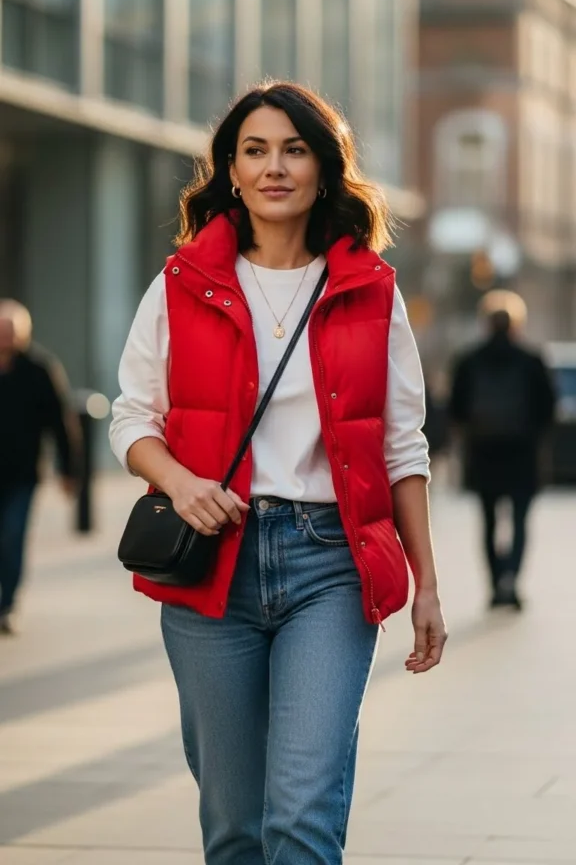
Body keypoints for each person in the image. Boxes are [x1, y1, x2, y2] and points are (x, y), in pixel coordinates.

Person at [110, 81, 447, 865]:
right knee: (233, 827)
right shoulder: (181, 285)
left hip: (330, 563)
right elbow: (132, 419)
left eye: (294, 149)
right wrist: (182, 483)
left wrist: (426, 582)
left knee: (299, 816)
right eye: (255, 150)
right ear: (230, 170)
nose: (274, 167)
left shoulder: (371, 292)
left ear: (324, 169)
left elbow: (404, 445)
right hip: (210, 569)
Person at [449, 290, 556, 610]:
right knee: (521, 520)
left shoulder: (468, 361)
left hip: (484, 453)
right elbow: (548, 408)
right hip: (522, 453)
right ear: (515, 324)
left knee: (489, 521)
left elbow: (457, 409)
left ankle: (495, 583)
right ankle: (511, 577)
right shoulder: (532, 360)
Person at [0, 300, 78, 635]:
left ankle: (7, 605)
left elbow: (61, 424)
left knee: (12, 537)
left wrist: (69, 471)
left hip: (22, 475)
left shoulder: (40, 369)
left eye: (11, 330)